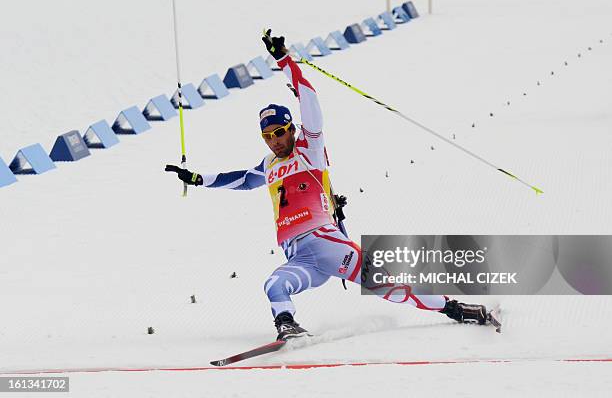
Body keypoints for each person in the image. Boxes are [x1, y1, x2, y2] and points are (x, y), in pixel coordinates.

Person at [166, 30, 491, 341]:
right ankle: (287, 325)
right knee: (273, 285)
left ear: (292, 129)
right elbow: (239, 180)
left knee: (394, 288)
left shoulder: (311, 150)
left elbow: (308, 97)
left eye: (280, 132)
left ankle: (455, 309)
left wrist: (284, 61)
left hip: (329, 246)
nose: (275, 142)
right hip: (301, 258)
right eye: (268, 137)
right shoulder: (269, 166)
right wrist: (197, 179)